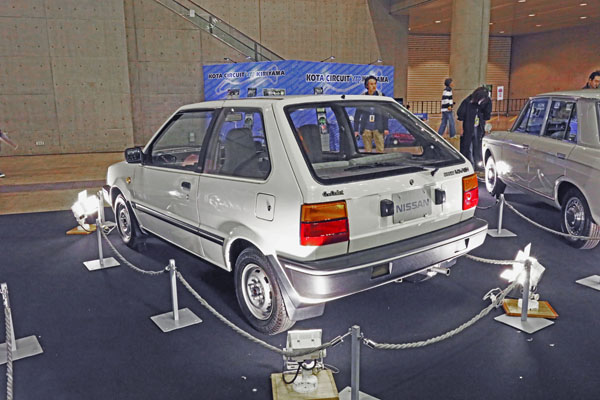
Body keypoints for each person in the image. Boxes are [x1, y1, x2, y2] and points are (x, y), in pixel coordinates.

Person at [354, 76, 389, 153]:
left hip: (378, 127)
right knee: (367, 151)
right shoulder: (362, 97)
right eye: (371, 84)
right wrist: (356, 130)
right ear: (367, 86)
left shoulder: (381, 96)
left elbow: (385, 113)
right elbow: (357, 115)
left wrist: (386, 128)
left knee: (380, 149)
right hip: (366, 127)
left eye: (375, 84)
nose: (374, 86)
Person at [457, 87, 489, 169]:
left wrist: (485, 126)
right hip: (469, 126)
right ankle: (471, 164)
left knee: (476, 145)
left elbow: (486, 114)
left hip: (478, 127)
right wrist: (461, 128)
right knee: (469, 146)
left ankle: (477, 164)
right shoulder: (467, 102)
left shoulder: (485, 101)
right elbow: (461, 115)